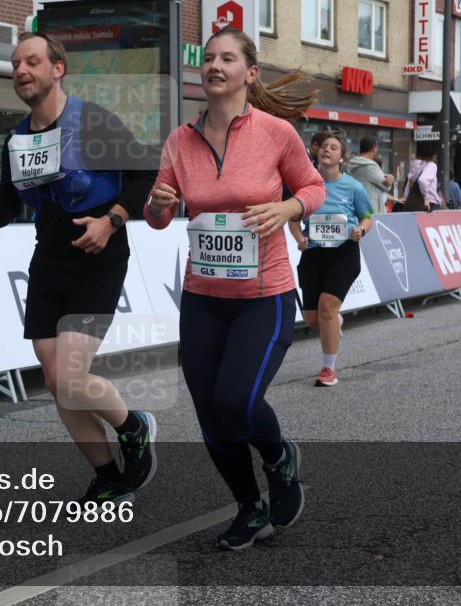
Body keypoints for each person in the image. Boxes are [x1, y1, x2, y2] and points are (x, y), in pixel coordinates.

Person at [145, 27, 325, 550]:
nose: (214, 65)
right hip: (202, 298)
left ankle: (279, 458)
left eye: (227, 58)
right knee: (210, 417)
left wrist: (287, 207)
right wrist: (158, 205)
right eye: (208, 58)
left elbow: (313, 187)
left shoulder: (274, 133)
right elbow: (157, 218)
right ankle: (249, 507)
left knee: (236, 402)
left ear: (250, 73)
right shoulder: (181, 139)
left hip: (262, 298)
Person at [0, 32, 158, 504]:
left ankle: (134, 427)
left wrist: (111, 222)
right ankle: (109, 475)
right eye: (15, 65)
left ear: (58, 68)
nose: (21, 71)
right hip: (48, 262)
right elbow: (11, 203)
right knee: (56, 385)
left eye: (31, 61)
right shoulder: (18, 138)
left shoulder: (92, 121)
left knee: (71, 378)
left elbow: (143, 173)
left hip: (99, 259)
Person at [287, 133, 372, 387]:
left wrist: (362, 230)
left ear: (341, 156)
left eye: (333, 147)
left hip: (343, 253)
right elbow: (292, 218)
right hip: (313, 253)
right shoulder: (305, 185)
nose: (327, 150)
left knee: (326, 308)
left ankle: (328, 369)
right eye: (324, 146)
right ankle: (335, 320)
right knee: (313, 319)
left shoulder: (354, 187)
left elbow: (368, 217)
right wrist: (299, 237)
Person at [344, 135, 393, 214]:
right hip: (372, 211)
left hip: (356, 208)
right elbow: (385, 186)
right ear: (374, 148)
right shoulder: (370, 166)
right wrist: (390, 179)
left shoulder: (351, 164)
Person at [402, 142, 441, 212]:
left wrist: (405, 197)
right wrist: (426, 198)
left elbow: (409, 182)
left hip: (411, 203)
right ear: (434, 155)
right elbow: (422, 180)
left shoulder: (416, 165)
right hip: (426, 204)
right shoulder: (432, 165)